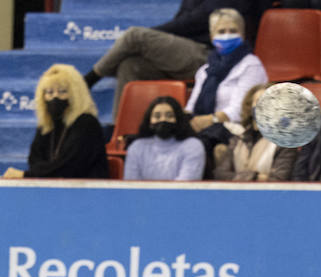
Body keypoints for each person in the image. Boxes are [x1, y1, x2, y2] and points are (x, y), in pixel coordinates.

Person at [83, 1, 254, 122]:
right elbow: (180, 21)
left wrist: (152, 35)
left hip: (209, 54)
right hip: (184, 50)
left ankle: (88, 81)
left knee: (135, 36)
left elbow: (196, 20)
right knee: (130, 66)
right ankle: (121, 130)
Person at [3, 64, 108, 180]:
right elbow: (34, 161)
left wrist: (27, 175)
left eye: (62, 91)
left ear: (75, 94)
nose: (55, 97)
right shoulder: (47, 125)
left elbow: (69, 168)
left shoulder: (87, 124)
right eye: (50, 92)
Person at [185, 8, 267, 140]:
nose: (227, 35)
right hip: (206, 129)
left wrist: (210, 120)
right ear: (212, 37)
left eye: (233, 31)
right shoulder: (205, 70)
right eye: (221, 31)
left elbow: (241, 110)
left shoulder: (251, 65)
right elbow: (191, 107)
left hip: (236, 131)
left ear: (243, 35)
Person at [212, 83, 297, 182]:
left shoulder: (285, 142)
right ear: (249, 106)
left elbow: (279, 179)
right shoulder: (238, 138)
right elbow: (219, 174)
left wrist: (238, 177)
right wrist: (255, 177)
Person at [123, 96, 207, 180]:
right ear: (149, 121)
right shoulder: (137, 147)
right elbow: (131, 185)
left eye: (169, 116)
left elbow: (185, 187)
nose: (163, 119)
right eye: (157, 116)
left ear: (178, 119)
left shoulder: (193, 146)